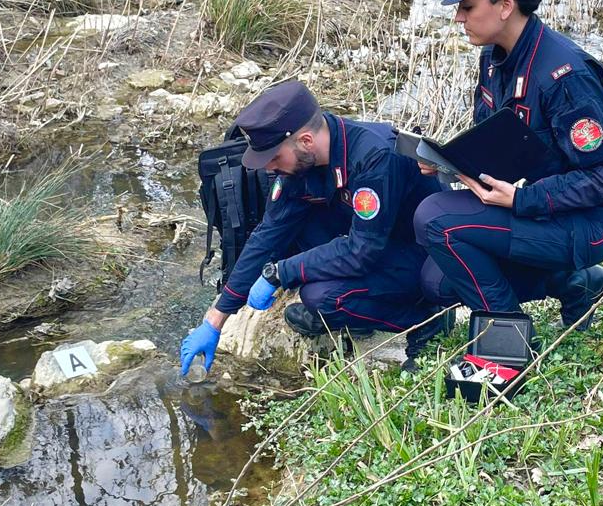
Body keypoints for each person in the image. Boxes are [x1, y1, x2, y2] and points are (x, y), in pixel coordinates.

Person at [413, 0, 603, 329]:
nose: (458, 19)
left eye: (467, 6)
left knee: (435, 218)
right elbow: (500, 142)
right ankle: (574, 285)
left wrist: (523, 198)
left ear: (505, 6)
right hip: (536, 207)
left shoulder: (565, 76)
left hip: (591, 222)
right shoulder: (495, 59)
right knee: (438, 280)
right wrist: (448, 164)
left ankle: (506, 333)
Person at [181, 81, 450, 376]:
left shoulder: (375, 156)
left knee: (321, 298)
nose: (269, 168)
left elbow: (362, 252)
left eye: (274, 158)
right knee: (293, 234)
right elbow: (269, 234)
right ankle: (363, 306)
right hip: (374, 239)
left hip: (422, 254)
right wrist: (216, 318)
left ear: (306, 141)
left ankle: (425, 319)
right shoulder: (303, 162)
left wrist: (281, 272)